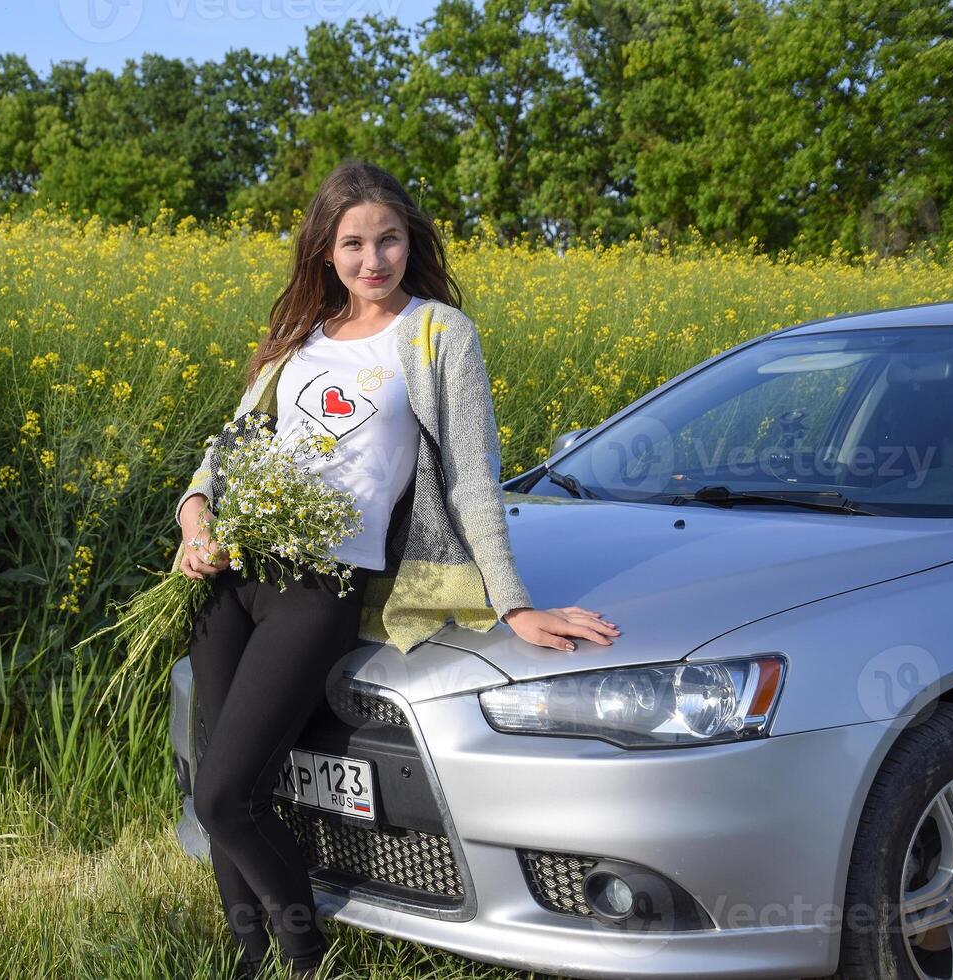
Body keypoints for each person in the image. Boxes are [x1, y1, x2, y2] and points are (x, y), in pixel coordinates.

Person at [173, 161, 621, 979]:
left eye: (387, 239)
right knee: (222, 785)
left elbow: (471, 476)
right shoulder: (296, 338)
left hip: (319, 588)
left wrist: (512, 603)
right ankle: (248, 958)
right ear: (324, 252)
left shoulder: (437, 333)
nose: (371, 259)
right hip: (232, 577)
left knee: (224, 796)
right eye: (352, 243)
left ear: (410, 242)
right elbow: (226, 448)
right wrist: (194, 518)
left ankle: (306, 955)